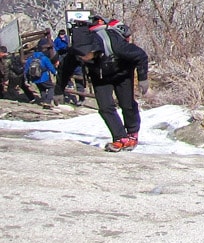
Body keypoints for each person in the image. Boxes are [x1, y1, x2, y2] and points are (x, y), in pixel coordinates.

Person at [55, 19, 149, 152]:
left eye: (86, 56)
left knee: (127, 104)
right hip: (99, 75)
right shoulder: (76, 53)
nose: (84, 59)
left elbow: (141, 56)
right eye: (81, 58)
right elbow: (64, 71)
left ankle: (132, 134)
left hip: (122, 73)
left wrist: (142, 78)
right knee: (105, 107)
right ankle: (120, 138)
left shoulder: (115, 45)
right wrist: (58, 91)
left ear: (94, 50)